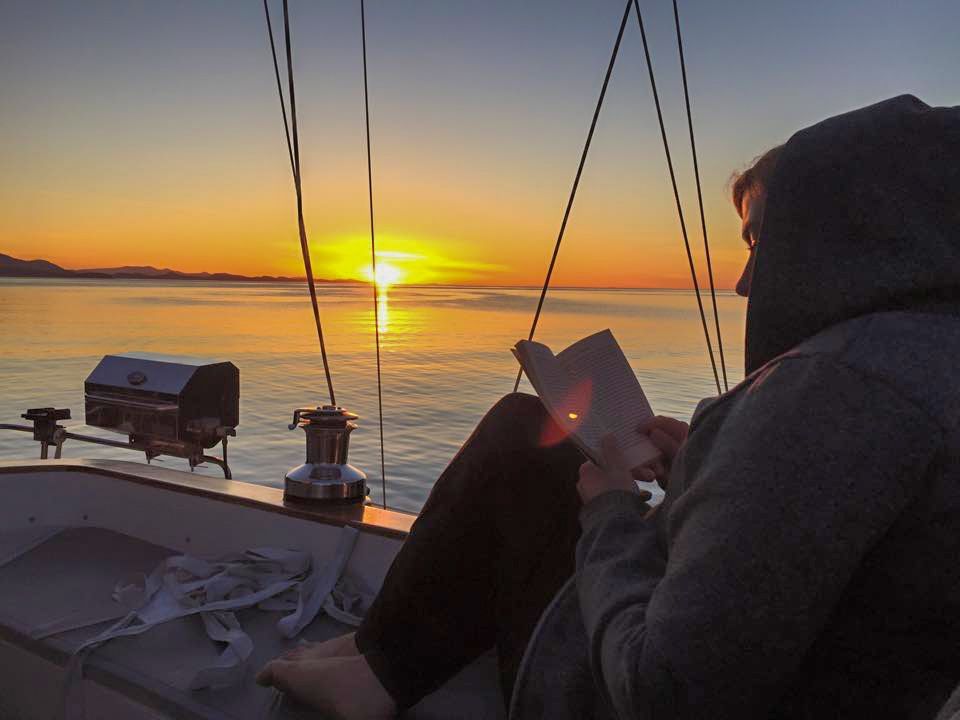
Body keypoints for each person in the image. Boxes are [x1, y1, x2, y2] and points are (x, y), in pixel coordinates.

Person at [257, 94, 960, 719]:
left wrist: (613, 512)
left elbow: (663, 691)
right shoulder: (923, 362)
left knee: (518, 432)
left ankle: (378, 670)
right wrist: (703, 475)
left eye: (759, 242)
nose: (746, 282)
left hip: (590, 693)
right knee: (539, 442)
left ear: (842, 230)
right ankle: (380, 650)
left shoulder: (834, 391)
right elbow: (794, 548)